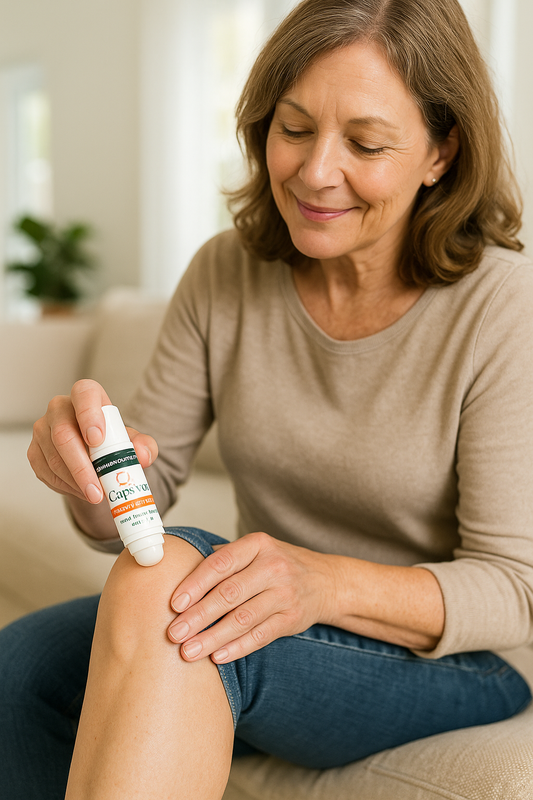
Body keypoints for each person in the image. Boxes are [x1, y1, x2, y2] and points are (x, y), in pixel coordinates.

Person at [1, 0, 533, 797]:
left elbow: (514, 588)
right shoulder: (225, 271)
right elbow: (143, 496)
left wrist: (322, 582)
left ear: (440, 151)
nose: (315, 171)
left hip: (457, 658)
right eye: (293, 129)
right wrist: (89, 474)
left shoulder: (504, 306)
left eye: (365, 143)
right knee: (19, 668)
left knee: (170, 601)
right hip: (272, 616)